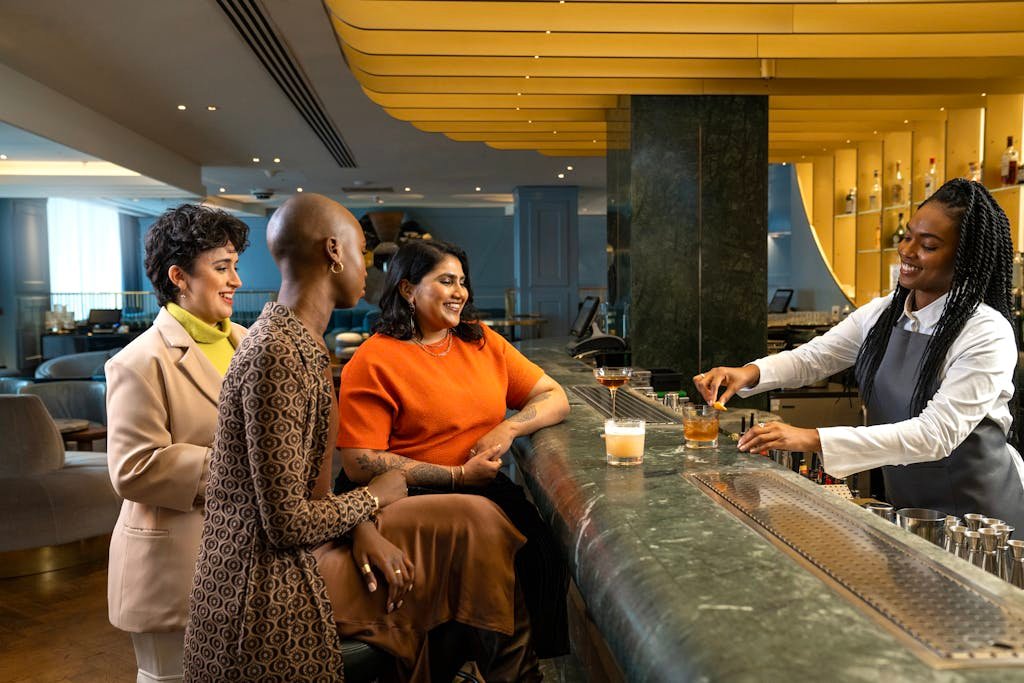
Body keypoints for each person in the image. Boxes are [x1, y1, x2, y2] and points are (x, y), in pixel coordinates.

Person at [183, 195, 537, 682]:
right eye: (363, 253)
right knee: (469, 531)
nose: (368, 269)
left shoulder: (294, 343)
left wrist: (365, 524)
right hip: (266, 600)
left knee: (473, 525)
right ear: (334, 251)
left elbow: (310, 490)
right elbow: (286, 523)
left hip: (286, 568)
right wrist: (374, 495)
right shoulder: (279, 354)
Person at [695, 178, 1024, 532]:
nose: (907, 251)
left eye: (927, 245)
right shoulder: (884, 313)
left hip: (984, 520)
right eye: (908, 236)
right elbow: (816, 357)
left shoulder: (986, 332)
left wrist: (811, 437)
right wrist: (748, 373)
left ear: (965, 258)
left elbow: (935, 434)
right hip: (912, 507)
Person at [336, 239, 573, 657]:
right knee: (474, 583)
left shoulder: (481, 341)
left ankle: (528, 666)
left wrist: (507, 430)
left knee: (544, 557)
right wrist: (455, 476)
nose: (459, 292)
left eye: (462, 282)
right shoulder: (374, 359)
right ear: (408, 290)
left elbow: (554, 396)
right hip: (407, 494)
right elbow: (359, 463)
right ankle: (470, 663)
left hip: (481, 484)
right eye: (446, 281)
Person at [105, 204, 249, 683]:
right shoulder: (137, 361)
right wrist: (245, 467)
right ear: (179, 276)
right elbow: (133, 467)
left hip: (244, 557)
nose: (237, 281)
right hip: (172, 562)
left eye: (235, 266)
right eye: (222, 267)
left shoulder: (249, 344)